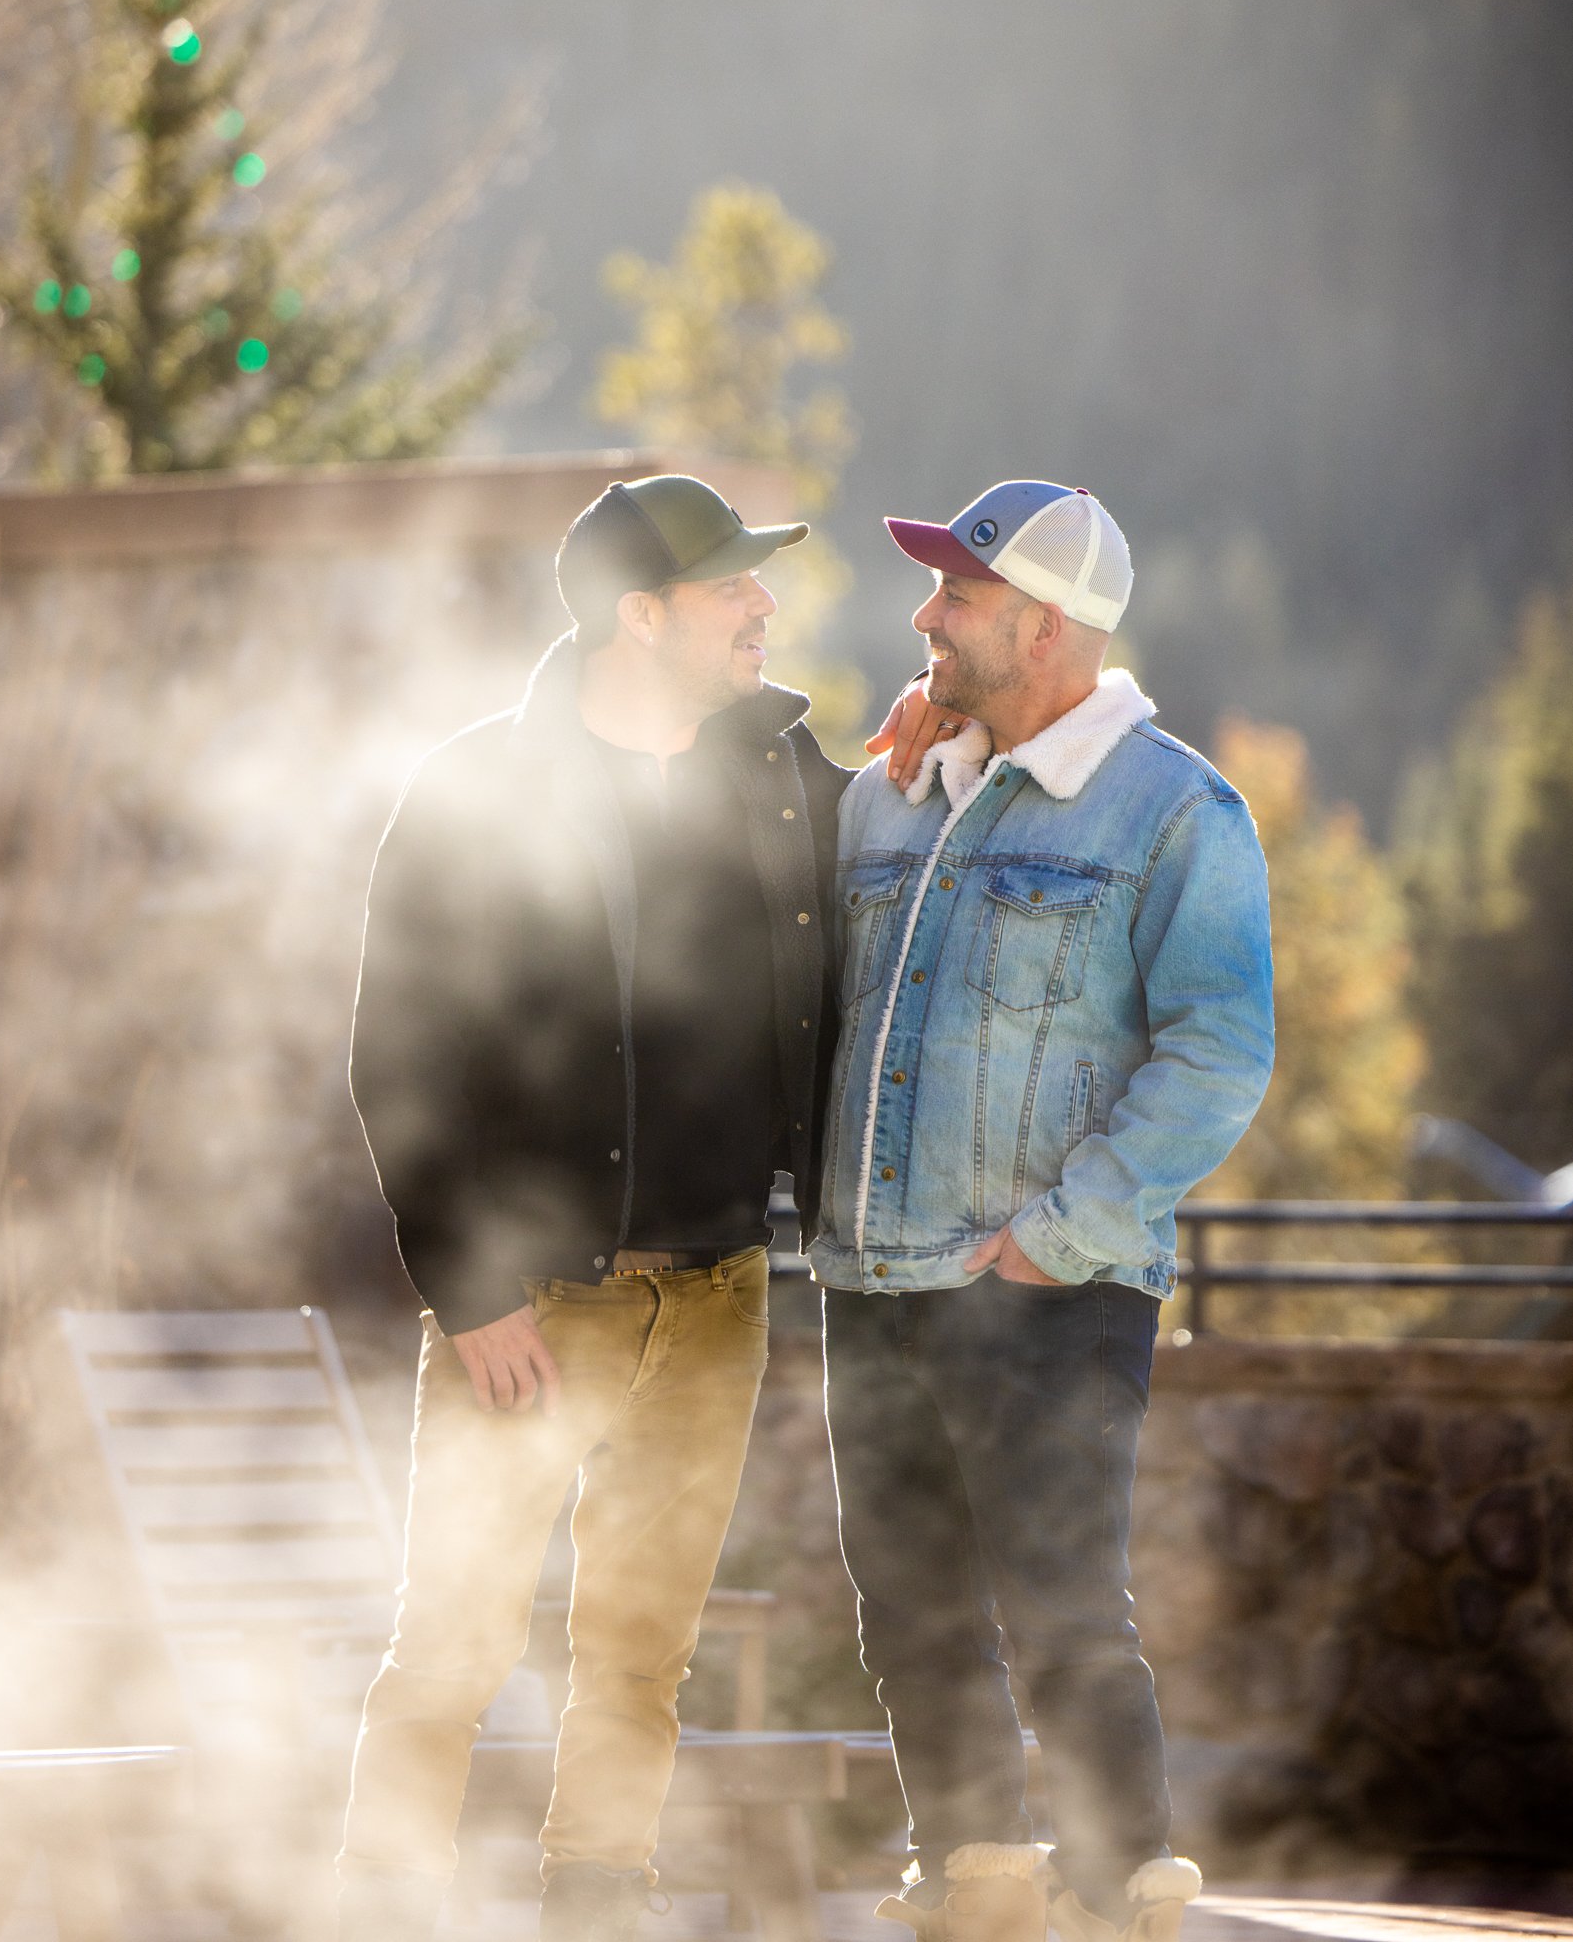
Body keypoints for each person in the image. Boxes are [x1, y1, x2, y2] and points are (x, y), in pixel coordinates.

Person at [337, 474, 854, 1942]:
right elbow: (397, 1059)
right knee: (452, 1648)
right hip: (532, 1299)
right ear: (642, 615)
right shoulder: (478, 790)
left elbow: (903, 830)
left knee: (639, 1661)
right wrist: (468, 1289)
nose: (762, 605)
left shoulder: (781, 777)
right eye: (729, 585)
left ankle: (598, 1913)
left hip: (718, 1296)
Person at [808, 481, 1275, 1942]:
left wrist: (1056, 1238)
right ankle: (974, 1888)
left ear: (1046, 626)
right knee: (910, 1611)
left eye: (957, 595)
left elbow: (1218, 1054)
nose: (925, 615)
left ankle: (1120, 1897)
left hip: (1051, 1289)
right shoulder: (887, 792)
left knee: (1065, 1612)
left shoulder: (1178, 811)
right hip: (872, 1279)